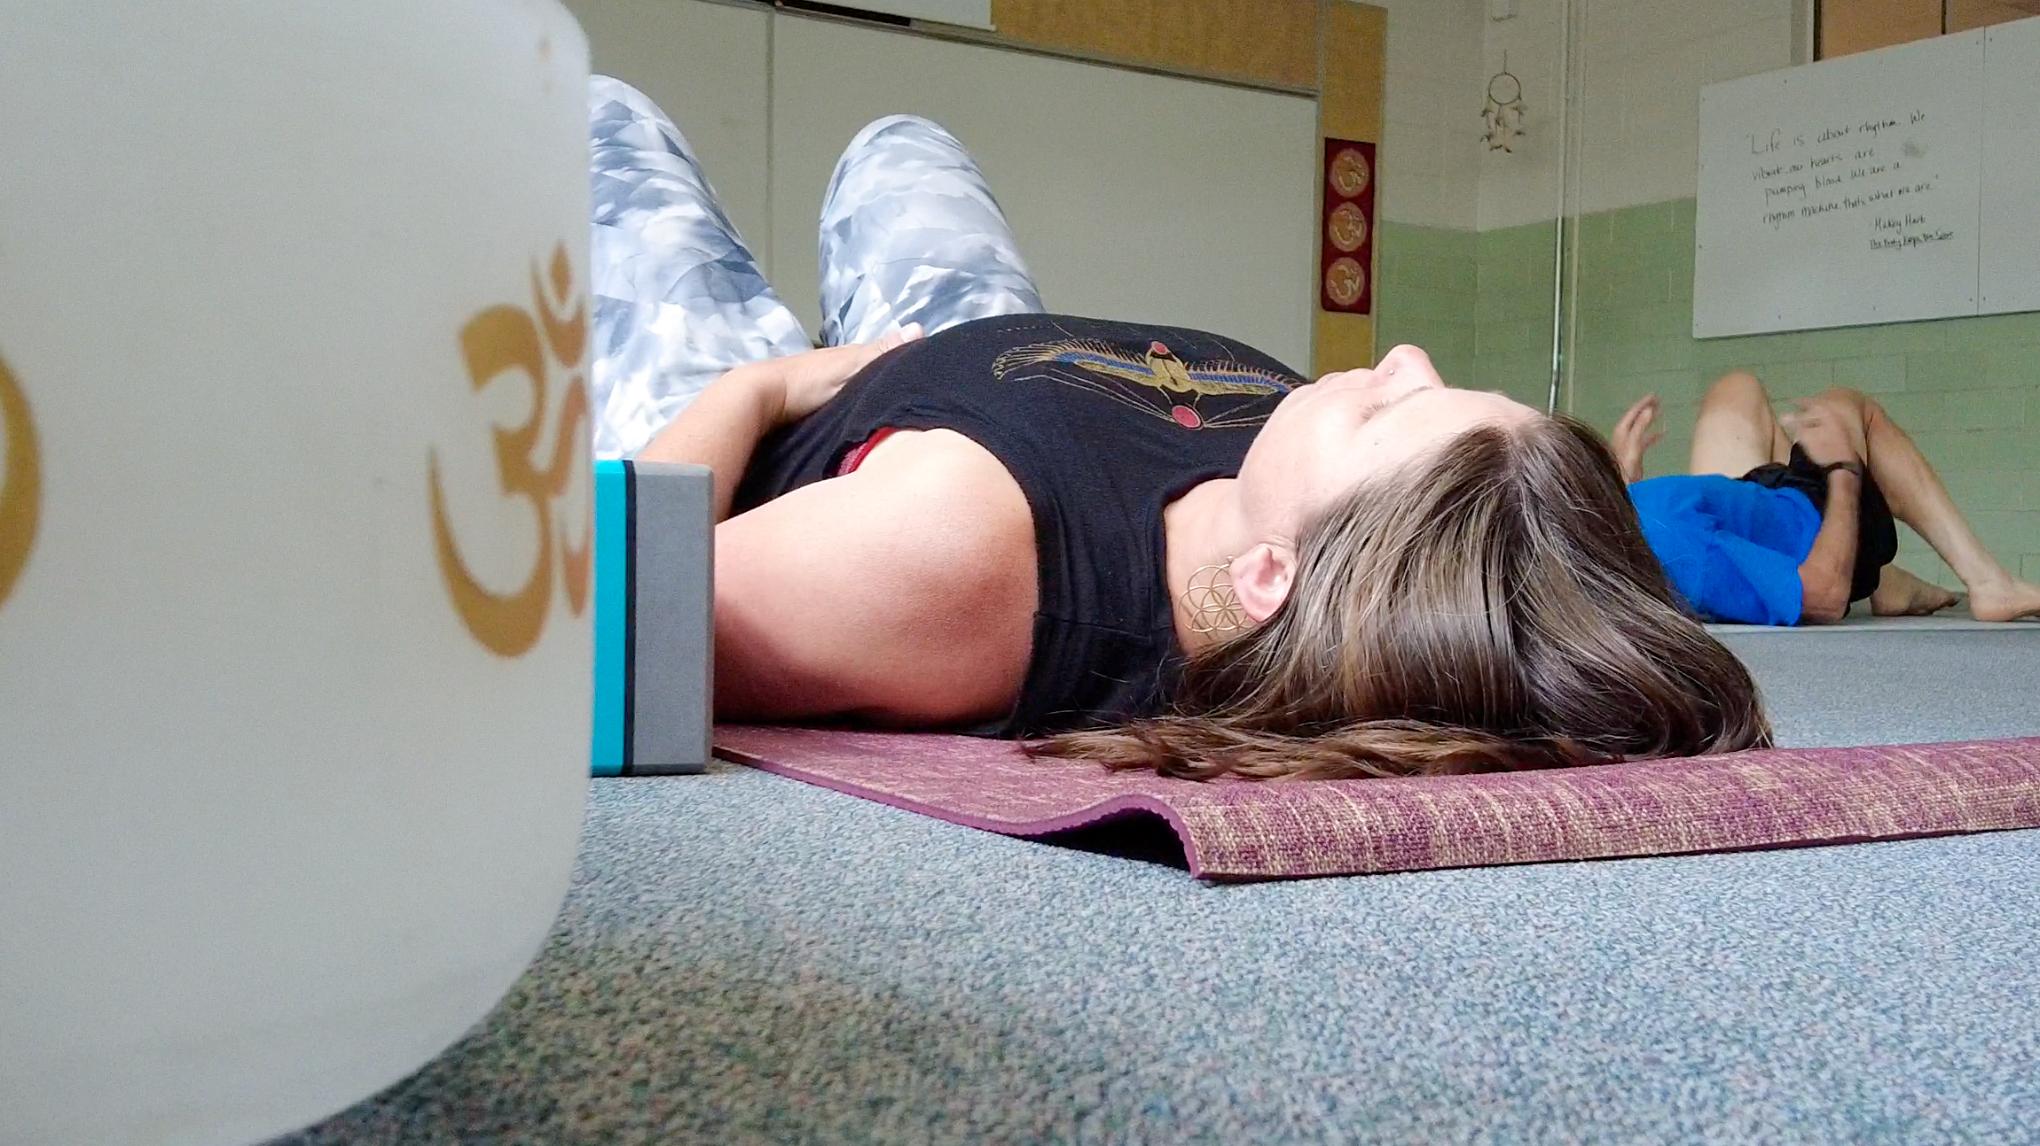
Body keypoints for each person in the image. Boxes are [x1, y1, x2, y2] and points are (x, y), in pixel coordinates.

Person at [589, 77, 1769, 780]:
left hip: (775, 409)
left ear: (1269, 577)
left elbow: (608, 614)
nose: (1403, 356)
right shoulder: (1304, 501)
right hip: (968, 357)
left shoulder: (950, 562)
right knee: (902, 147)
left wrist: (761, 390)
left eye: (1392, 406)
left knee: (599, 119)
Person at [1611, 373, 2040, 626]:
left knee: (1736, 389)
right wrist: (1843, 471)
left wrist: (1622, 489)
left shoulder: (1620, 525)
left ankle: (1889, 584)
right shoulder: (1684, 550)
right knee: (1843, 408)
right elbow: (1824, 596)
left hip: (1743, 509)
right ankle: (1990, 583)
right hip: (1811, 532)